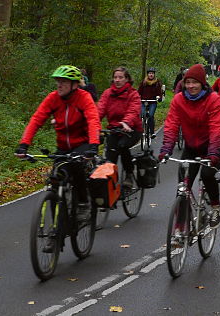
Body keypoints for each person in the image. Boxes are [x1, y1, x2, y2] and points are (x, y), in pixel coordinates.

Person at [16, 65, 101, 245]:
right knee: (55, 179)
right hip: (63, 147)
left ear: (74, 85)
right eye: (58, 82)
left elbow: (93, 120)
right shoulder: (53, 99)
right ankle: (58, 227)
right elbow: (36, 120)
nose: (59, 85)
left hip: (82, 144)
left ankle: (84, 205)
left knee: (76, 167)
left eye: (63, 82)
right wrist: (24, 144)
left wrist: (93, 145)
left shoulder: (84, 98)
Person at [159, 64, 220, 227]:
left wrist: (213, 153)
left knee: (207, 175)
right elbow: (171, 124)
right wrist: (166, 148)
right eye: (187, 82)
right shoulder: (179, 100)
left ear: (202, 83)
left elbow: (217, 128)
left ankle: (216, 207)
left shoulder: (213, 99)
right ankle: (179, 230)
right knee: (183, 186)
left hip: (214, 147)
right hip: (191, 147)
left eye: (194, 82)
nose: (190, 86)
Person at [98, 67, 143, 188]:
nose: (117, 80)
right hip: (114, 129)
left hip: (132, 130)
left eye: (120, 77)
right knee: (110, 156)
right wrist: (93, 124)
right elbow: (100, 109)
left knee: (122, 146)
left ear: (127, 79)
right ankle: (109, 186)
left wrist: (126, 122)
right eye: (115, 77)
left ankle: (129, 174)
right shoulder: (107, 93)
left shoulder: (133, 94)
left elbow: (133, 110)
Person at [138, 67, 163, 139]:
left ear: (154, 74)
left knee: (151, 116)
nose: (151, 75)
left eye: (152, 73)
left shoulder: (157, 83)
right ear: (147, 74)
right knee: (142, 115)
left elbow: (159, 92)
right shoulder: (143, 82)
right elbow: (138, 92)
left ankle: (152, 133)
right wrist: (136, 98)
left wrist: (159, 98)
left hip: (153, 102)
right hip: (144, 101)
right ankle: (140, 131)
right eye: (149, 73)